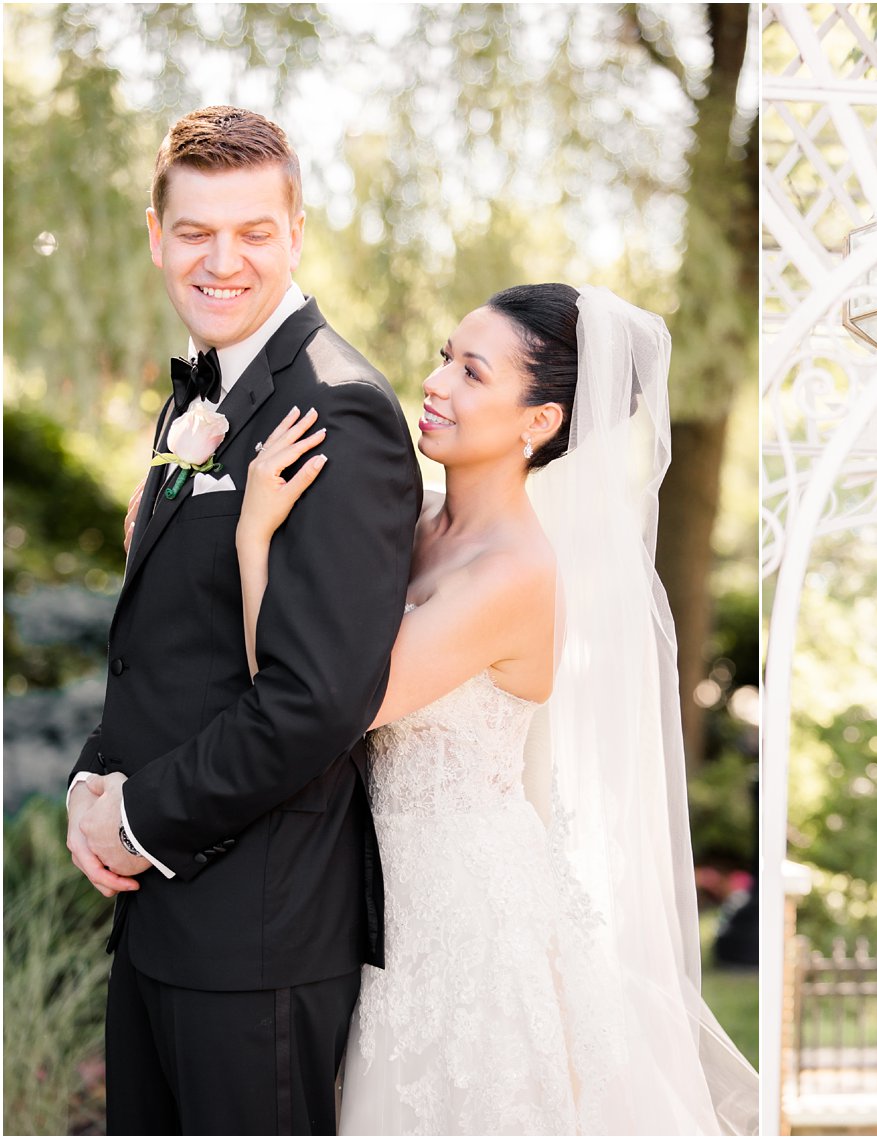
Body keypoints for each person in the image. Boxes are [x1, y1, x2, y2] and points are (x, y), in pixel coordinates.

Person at [234, 283, 759, 1134]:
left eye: (473, 372)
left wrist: (252, 537)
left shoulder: (515, 574)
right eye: (445, 357)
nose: (437, 383)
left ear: (538, 422)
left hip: (463, 920)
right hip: (374, 894)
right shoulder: (417, 525)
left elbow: (317, 701)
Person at [65, 106, 421, 1134]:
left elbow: (316, 699)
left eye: (254, 232)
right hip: (160, 923)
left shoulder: (339, 408)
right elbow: (171, 647)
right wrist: (96, 779)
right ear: (155, 235)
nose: (222, 261)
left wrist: (135, 818)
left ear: (297, 233)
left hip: (257, 941)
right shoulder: (194, 401)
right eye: (194, 232)